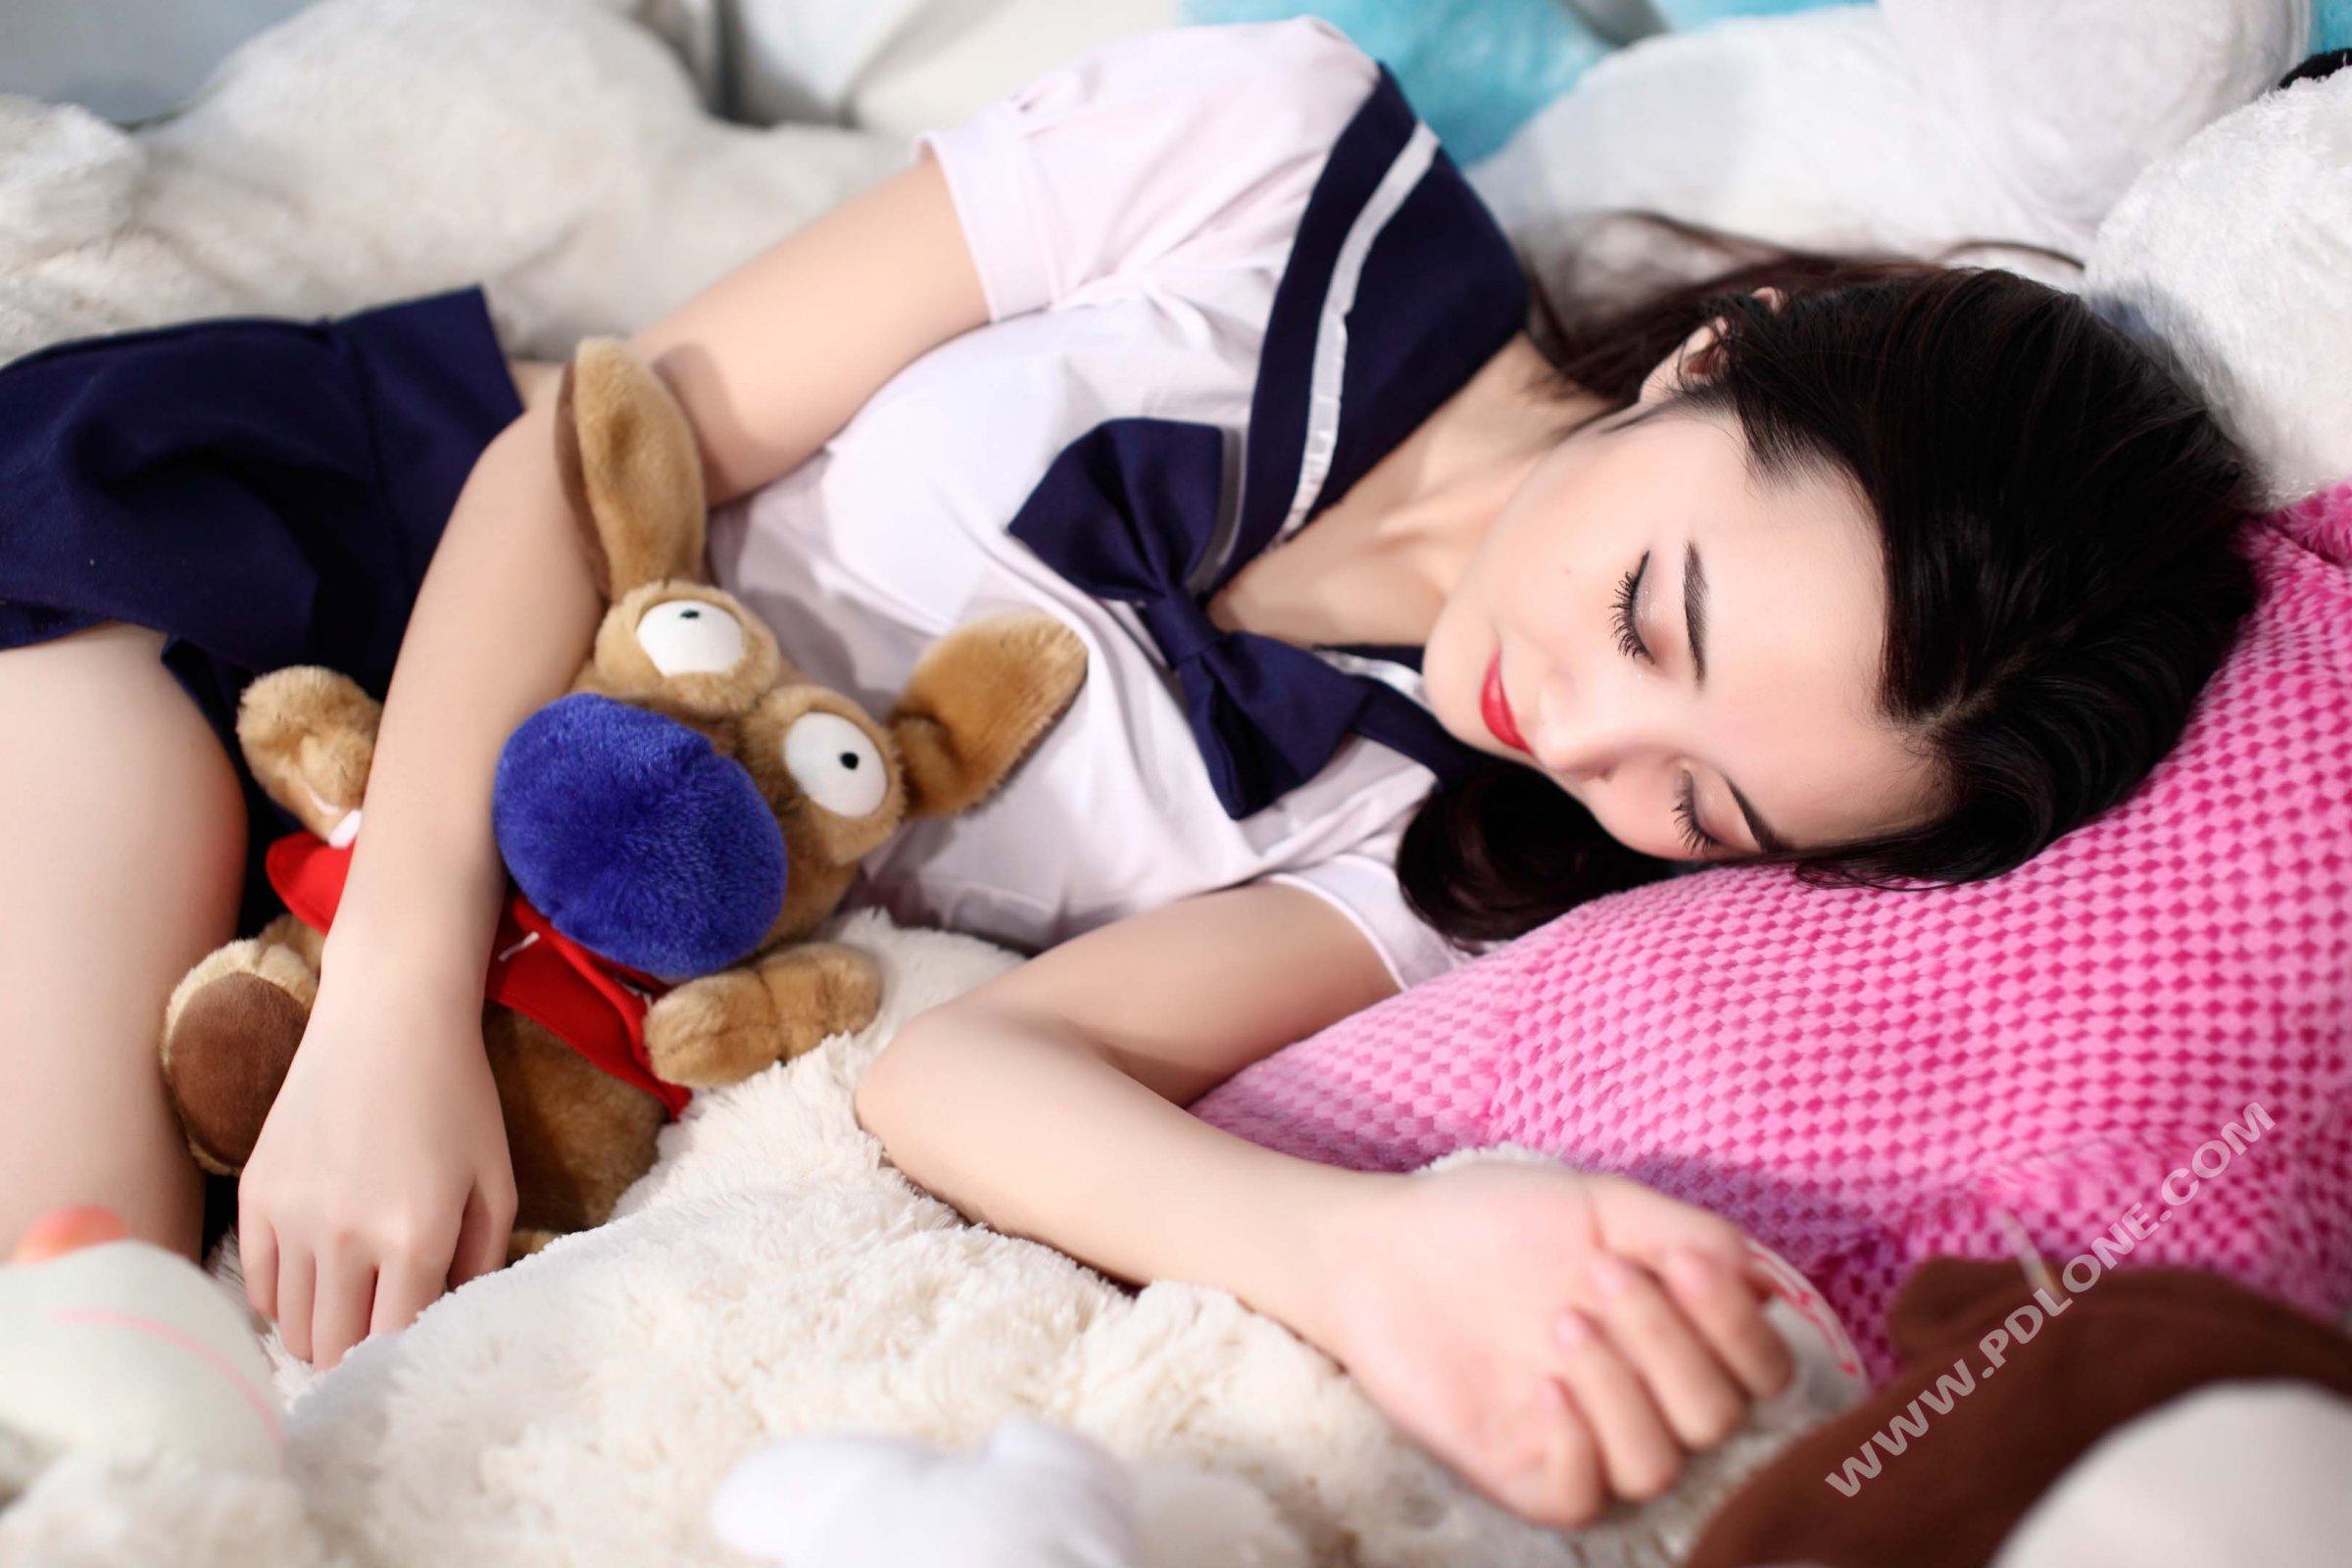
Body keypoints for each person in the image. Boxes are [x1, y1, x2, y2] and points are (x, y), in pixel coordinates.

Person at [0, 19, 2256, 1530]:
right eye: (1656, 614)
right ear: (1714, 357)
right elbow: (600, 444)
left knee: (138, 1365)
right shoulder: (1281, 158)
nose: (1581, 728)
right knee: (78, 1030)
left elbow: (973, 1075)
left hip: (594, 948)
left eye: (1713, 804)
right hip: (367, 556)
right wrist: (394, 993)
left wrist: (1372, 1258)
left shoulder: (1463, 854)